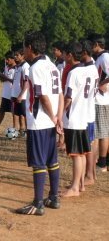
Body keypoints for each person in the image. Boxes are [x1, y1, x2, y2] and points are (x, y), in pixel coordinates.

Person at [16, 32, 63, 216]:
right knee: (52, 160)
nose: (24, 52)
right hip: (51, 122)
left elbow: (43, 96)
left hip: (39, 122)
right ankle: (53, 197)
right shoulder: (52, 66)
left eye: (24, 48)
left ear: (30, 48)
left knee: (39, 162)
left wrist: (52, 117)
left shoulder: (35, 68)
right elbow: (58, 93)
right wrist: (58, 118)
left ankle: (37, 203)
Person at [61, 41, 94, 197]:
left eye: (65, 54)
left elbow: (68, 97)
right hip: (83, 116)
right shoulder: (87, 70)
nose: (63, 56)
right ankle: (79, 184)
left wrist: (60, 114)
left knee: (76, 154)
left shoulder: (73, 73)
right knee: (80, 153)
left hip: (73, 118)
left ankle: (74, 188)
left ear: (70, 55)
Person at [90, 33, 109, 172]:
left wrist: (101, 84)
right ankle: (99, 160)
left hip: (102, 100)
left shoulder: (105, 57)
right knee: (99, 132)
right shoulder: (100, 57)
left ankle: (102, 163)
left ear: (97, 44)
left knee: (102, 133)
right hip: (99, 100)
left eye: (91, 44)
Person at [81, 39, 98, 185]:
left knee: (87, 147)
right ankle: (91, 174)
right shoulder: (92, 67)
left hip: (86, 114)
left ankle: (89, 176)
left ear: (85, 52)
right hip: (89, 112)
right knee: (89, 145)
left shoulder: (86, 70)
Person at [11, 49, 29, 136]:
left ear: (23, 56)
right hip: (15, 95)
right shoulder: (17, 66)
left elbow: (26, 82)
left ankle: (28, 132)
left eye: (17, 55)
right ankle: (16, 132)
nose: (15, 57)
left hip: (23, 96)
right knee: (15, 114)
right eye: (15, 55)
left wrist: (21, 95)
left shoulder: (25, 66)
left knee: (25, 115)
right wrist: (13, 93)